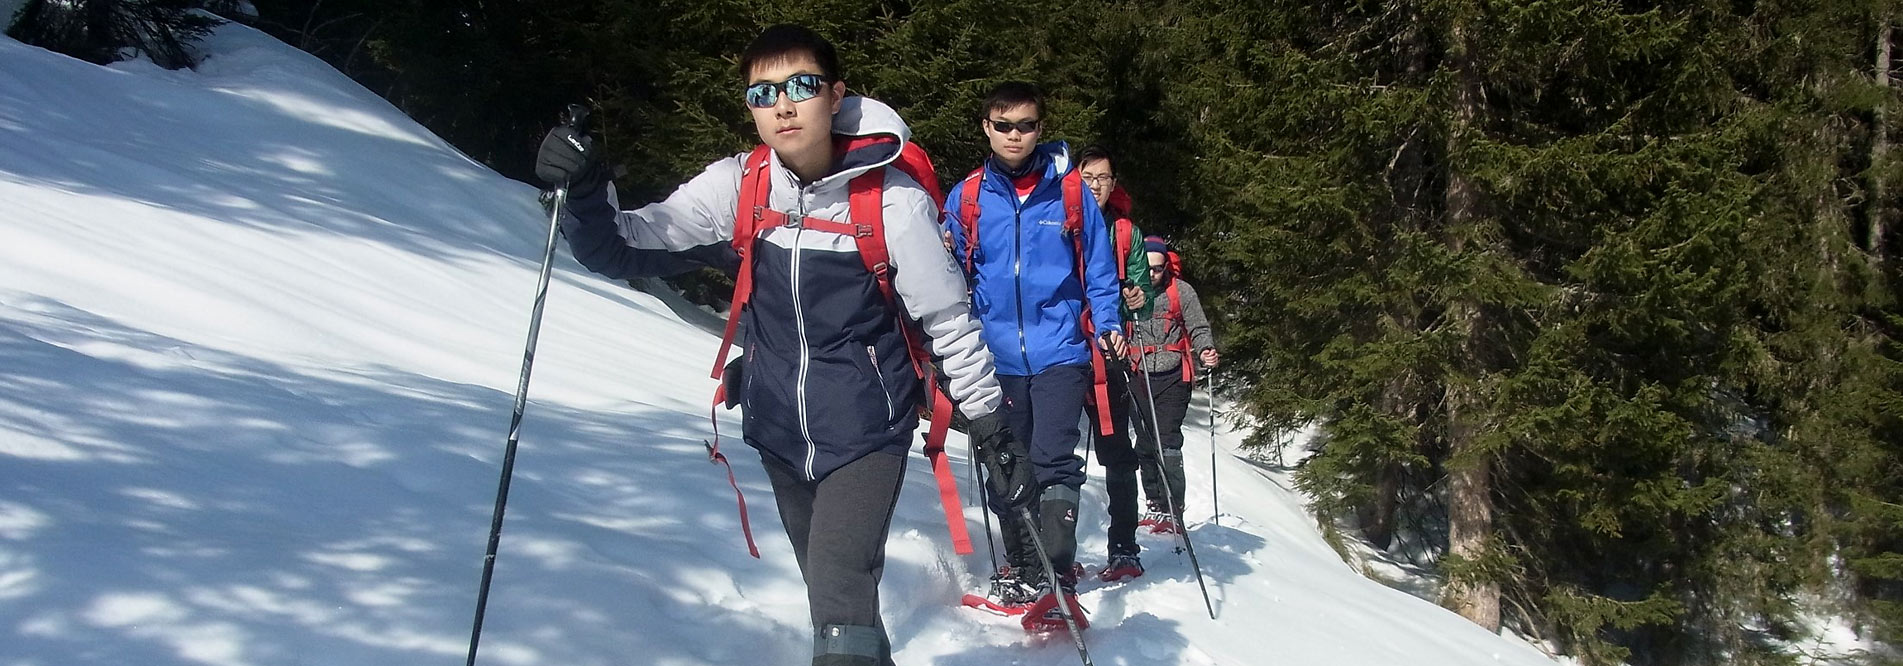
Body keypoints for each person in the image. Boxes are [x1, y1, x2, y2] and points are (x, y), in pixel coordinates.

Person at [532, 24, 1035, 666]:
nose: (784, 105)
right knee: (833, 592)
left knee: (838, 577)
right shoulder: (739, 186)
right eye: (763, 92)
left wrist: (991, 423)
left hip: (866, 426)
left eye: (802, 86)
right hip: (778, 427)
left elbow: (947, 321)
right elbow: (622, 245)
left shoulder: (892, 201)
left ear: (836, 94)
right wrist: (583, 190)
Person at [941, 82, 1126, 618]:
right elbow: (950, 272)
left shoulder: (1068, 192)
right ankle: (1024, 570)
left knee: (1052, 459)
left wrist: (1108, 320)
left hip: (1060, 350)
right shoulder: (968, 196)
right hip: (992, 358)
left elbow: (1096, 265)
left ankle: (1058, 569)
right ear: (987, 129)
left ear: (1041, 129)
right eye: (1004, 125)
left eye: (1025, 125)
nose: (1014, 134)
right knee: (1006, 462)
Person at [1073, 146, 1156, 582]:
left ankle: (1124, 546)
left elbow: (1142, 292)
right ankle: (1053, 554)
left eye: (1104, 177)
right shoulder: (1060, 219)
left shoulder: (1126, 233)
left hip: (1110, 355)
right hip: (1064, 351)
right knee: (1052, 451)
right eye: (1089, 177)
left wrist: (1139, 298)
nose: (1097, 185)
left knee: (1117, 452)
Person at [1127, 236, 1219, 535]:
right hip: (1138, 374)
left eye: (1158, 268)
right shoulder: (1127, 293)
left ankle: (1172, 507)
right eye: (1148, 268)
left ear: (1166, 266)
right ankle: (1154, 502)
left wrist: (1205, 349)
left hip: (1173, 376)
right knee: (1144, 442)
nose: (1153, 274)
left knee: (1166, 440)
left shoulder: (1181, 292)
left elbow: (1198, 327)